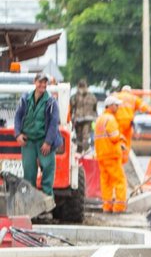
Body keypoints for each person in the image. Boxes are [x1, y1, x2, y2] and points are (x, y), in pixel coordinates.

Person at [15, 74, 60, 202]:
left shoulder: (51, 102)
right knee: (29, 171)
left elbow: (54, 123)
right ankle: (29, 203)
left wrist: (48, 142)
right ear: (35, 82)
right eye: (40, 82)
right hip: (28, 141)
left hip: (43, 141)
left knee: (48, 170)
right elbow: (18, 117)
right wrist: (18, 134)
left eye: (45, 82)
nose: (43, 85)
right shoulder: (25, 99)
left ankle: (47, 201)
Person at [94, 95, 129, 214]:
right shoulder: (110, 119)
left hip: (102, 155)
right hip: (111, 155)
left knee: (106, 182)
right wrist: (122, 138)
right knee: (119, 181)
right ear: (110, 106)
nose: (118, 107)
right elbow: (114, 137)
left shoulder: (100, 119)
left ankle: (107, 206)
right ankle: (119, 207)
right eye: (116, 105)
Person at [69, 80, 97, 153]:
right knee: (85, 137)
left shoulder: (75, 96)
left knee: (80, 137)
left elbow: (71, 108)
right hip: (88, 119)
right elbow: (95, 108)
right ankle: (85, 152)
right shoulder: (92, 96)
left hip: (78, 119)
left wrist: (71, 119)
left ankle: (80, 151)